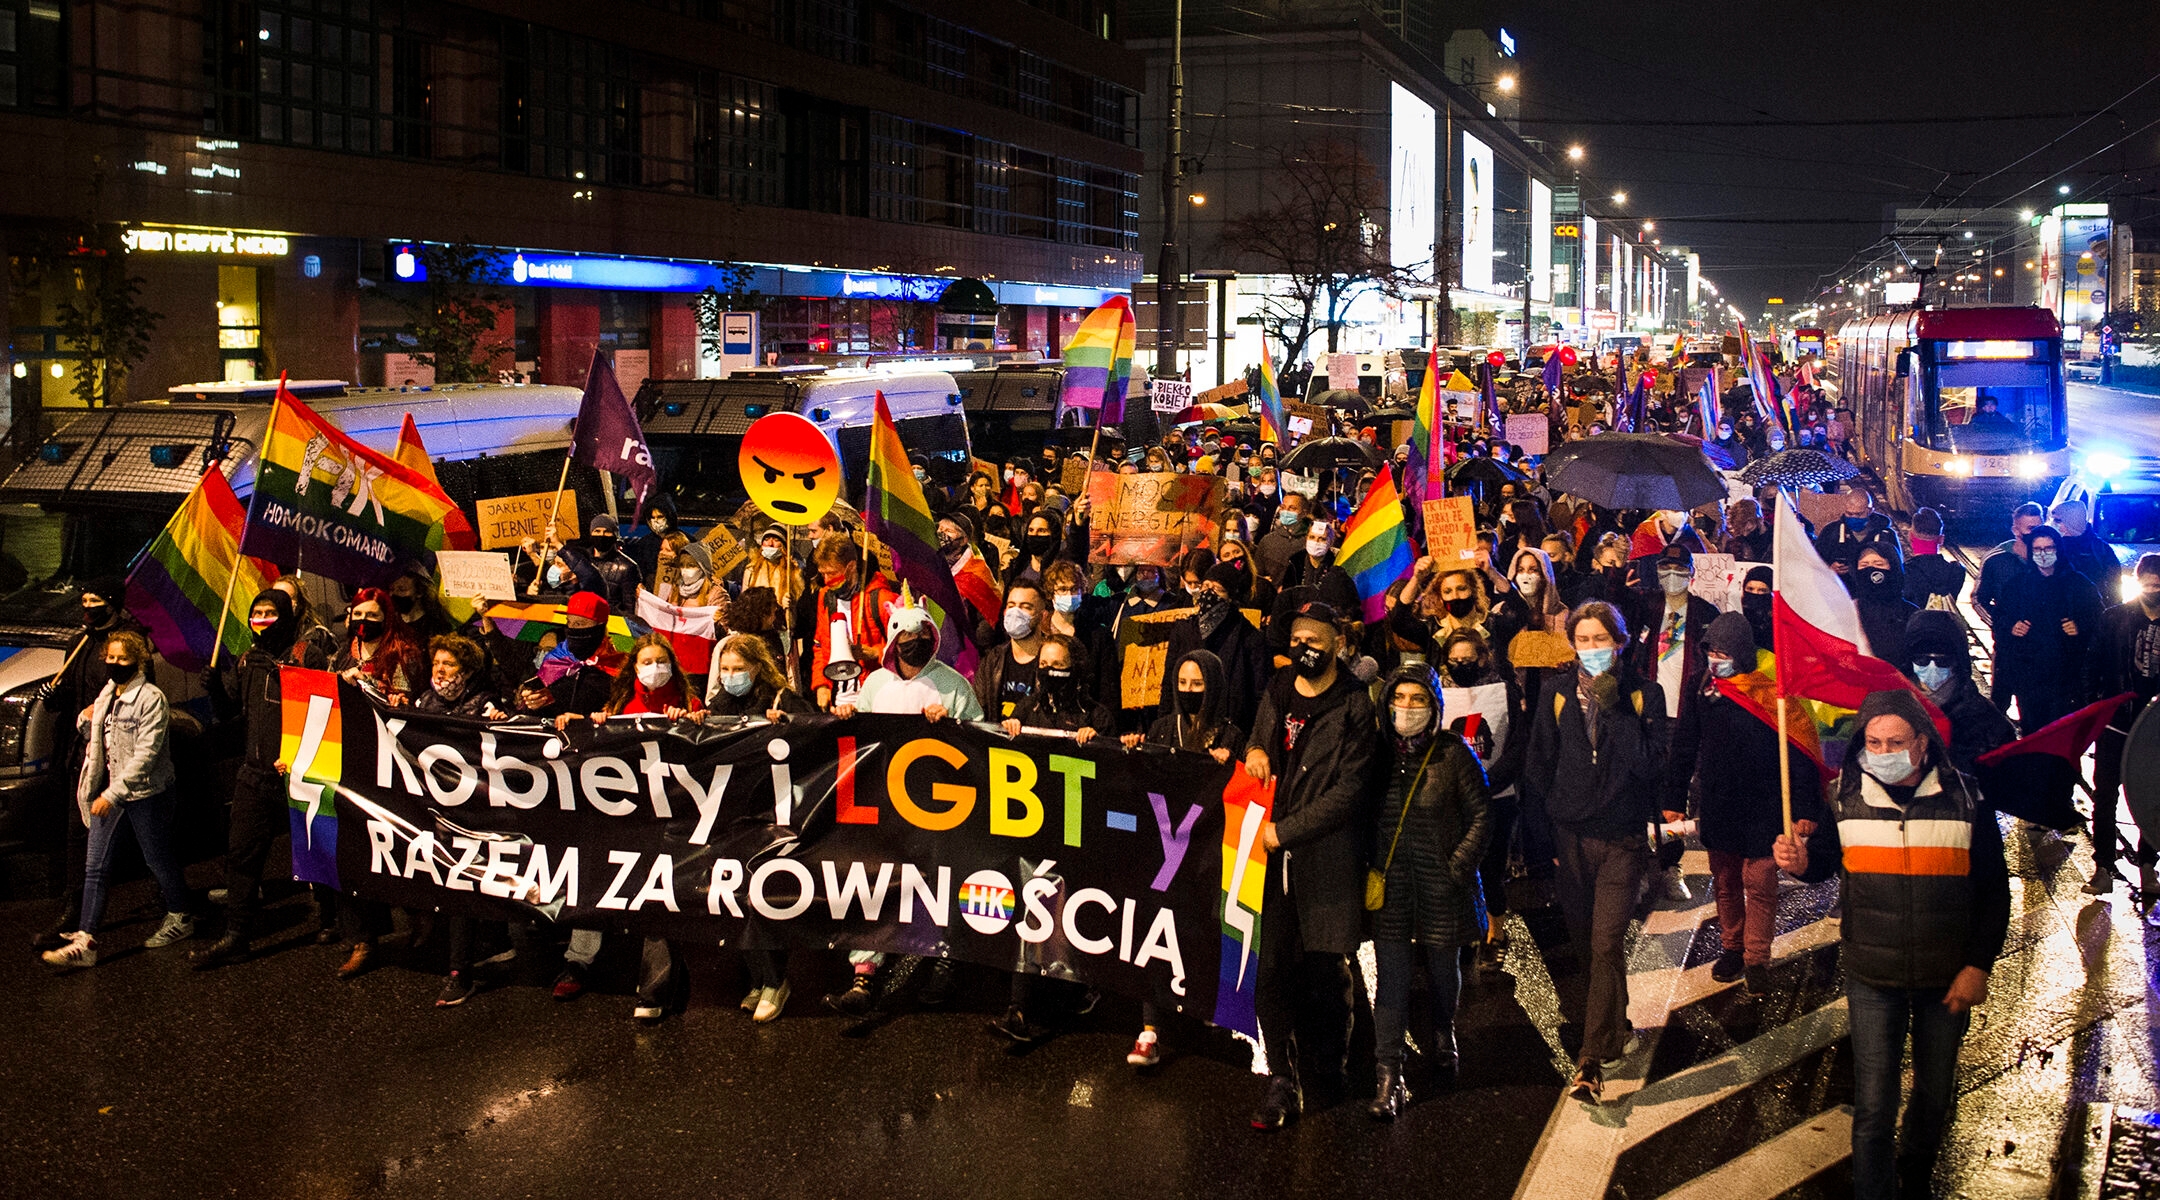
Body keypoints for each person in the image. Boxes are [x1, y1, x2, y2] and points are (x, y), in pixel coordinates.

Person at [1773, 691, 2009, 1200]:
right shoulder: (1844, 797)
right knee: (1874, 1103)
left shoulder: (1966, 798)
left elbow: (1995, 891)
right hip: (1871, 975)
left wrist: (1978, 966)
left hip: (1944, 976)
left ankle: (1918, 1170)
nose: (1883, 752)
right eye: (1874, 742)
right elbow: (1824, 865)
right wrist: (1799, 861)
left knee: (1934, 1091)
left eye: (1896, 742)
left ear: (1922, 743)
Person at [1521, 600, 1668, 1104]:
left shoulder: (1645, 695)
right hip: (1570, 839)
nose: (1590, 650)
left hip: (1622, 840)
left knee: (1606, 943)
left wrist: (1617, 711)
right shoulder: (1557, 694)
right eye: (1582, 641)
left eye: (1599, 640)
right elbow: (1538, 766)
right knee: (1588, 946)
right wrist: (1546, 843)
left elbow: (1652, 766)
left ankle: (1589, 1062)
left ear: (1620, 643)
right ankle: (1615, 1025)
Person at [1243, 602, 1375, 1129]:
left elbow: (1349, 793)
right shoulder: (1278, 689)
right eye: (1297, 637)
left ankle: (1330, 1066)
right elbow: (1260, 735)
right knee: (1270, 967)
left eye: (1315, 638)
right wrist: (1255, 749)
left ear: (1338, 643)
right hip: (1273, 860)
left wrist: (1287, 831)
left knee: (1325, 968)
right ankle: (1281, 1077)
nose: (1304, 647)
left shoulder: (1354, 706)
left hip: (1325, 857)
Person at [1665, 614, 1820, 995]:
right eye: (1711, 652)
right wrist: (1673, 798)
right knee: (1726, 882)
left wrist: (1806, 808)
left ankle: (1756, 958)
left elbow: (1799, 751)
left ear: (1743, 655)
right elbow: (1685, 743)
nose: (1716, 659)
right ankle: (1732, 947)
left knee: (1760, 882)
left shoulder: (1771, 693)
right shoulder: (1701, 687)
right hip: (1719, 801)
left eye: (1723, 653)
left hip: (1765, 805)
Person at [1366, 663, 1493, 1118]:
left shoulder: (1454, 753)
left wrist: (1457, 867)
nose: (1407, 708)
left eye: (1418, 700)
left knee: (1443, 970)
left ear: (1435, 706)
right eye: (1399, 698)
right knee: (1392, 982)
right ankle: (1388, 1075)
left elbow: (1482, 816)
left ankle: (1444, 1032)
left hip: (1444, 886)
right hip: (1393, 887)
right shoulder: (1376, 755)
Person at [563, 635, 702, 1023]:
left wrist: (693, 723)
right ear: (634, 666)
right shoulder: (621, 704)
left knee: (656, 898)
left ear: (672, 664)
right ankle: (577, 963)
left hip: (670, 818)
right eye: (646, 661)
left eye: (661, 660)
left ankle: (654, 988)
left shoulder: (690, 704)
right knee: (592, 879)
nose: (654, 667)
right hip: (625, 815)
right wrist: (593, 725)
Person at [192, 588, 332, 969]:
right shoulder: (248, 660)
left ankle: (332, 918)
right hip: (255, 776)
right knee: (241, 855)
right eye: (257, 612)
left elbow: (323, 714)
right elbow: (229, 714)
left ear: (286, 615)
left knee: (317, 849)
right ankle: (236, 935)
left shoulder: (306, 656)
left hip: (299, 774)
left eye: (271, 612)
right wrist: (216, 688)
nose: (263, 619)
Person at [988, 634, 1113, 1043]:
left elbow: (1116, 771)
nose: (1048, 672)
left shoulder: (1098, 715)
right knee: (1030, 910)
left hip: (1080, 833)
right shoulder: (1028, 709)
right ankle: (1018, 1007)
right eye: (1043, 664)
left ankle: (1081, 986)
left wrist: (1100, 744)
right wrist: (1010, 731)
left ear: (1075, 668)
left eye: (1057, 664)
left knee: (1073, 912)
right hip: (1037, 831)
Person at [41, 630, 190, 968]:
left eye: (123, 659)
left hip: (146, 793)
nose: (115, 664)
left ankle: (181, 915)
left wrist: (113, 793)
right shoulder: (109, 692)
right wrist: (85, 720)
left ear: (138, 661)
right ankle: (87, 940)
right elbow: (102, 735)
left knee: (157, 858)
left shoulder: (151, 699)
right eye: (110, 657)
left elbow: (146, 754)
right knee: (96, 867)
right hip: (110, 791)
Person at [31, 576, 149, 954]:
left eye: (95, 599)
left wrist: (102, 709)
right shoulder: (78, 642)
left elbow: (141, 694)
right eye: (84, 599)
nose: (87, 606)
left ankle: (171, 898)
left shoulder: (129, 642)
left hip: (119, 757)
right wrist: (55, 697)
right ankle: (75, 910)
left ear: (111, 603)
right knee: (77, 834)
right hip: (82, 755)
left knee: (147, 835)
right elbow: (71, 695)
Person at [2087, 554, 2160, 896]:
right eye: (2148, 581)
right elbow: (2095, 665)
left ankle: (2148, 865)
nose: (2154, 588)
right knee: (2105, 795)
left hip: (2154, 730)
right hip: (2116, 722)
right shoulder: (2114, 619)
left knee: (2152, 795)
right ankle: (2103, 865)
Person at [1993, 524, 2102, 731]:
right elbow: (2000, 618)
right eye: (2038, 549)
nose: (2043, 554)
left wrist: (2079, 627)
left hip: (2067, 678)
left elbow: (2099, 619)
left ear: (2058, 549)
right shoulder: (2018, 585)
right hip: (2029, 678)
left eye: (2049, 548)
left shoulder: (2078, 584)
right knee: (2033, 733)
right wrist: (2011, 627)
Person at [1157, 562, 1270, 730]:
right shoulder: (1184, 630)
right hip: (1185, 723)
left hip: (1228, 727)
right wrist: (1164, 724)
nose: (1208, 593)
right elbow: (1169, 683)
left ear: (1231, 596)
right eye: (1206, 586)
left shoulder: (1250, 637)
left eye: (1217, 589)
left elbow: (1258, 694)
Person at [1905, 610, 2013, 777]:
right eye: (1922, 660)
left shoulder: (1988, 722)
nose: (1932, 667)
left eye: (1942, 661)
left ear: (1957, 661)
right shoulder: (1887, 708)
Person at [806, 532, 898, 710]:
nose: (826, 580)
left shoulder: (882, 600)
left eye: (832, 573)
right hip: (838, 701)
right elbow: (819, 644)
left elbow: (905, 651)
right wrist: (821, 685)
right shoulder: (826, 596)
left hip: (875, 701)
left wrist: (874, 653)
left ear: (851, 567)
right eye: (822, 573)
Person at [848, 603, 984, 722]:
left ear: (933, 638)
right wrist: (846, 715)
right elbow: (861, 732)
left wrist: (949, 723)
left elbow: (975, 734)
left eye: (923, 633)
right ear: (895, 644)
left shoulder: (955, 684)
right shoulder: (874, 683)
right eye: (908, 634)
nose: (916, 639)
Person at [973, 580, 1049, 721]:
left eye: (1026, 607)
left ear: (1042, 616)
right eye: (1011, 605)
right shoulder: (993, 660)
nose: (1016, 612)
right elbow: (975, 709)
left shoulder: (1053, 662)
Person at [338, 587, 423, 702]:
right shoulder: (346, 650)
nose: (363, 620)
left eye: (372, 615)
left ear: (385, 619)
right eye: (357, 614)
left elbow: (404, 698)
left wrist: (365, 681)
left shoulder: (402, 655)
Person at [1973, 502, 2045, 632]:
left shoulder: (2052, 558)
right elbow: (1979, 600)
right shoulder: (1995, 560)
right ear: (2015, 530)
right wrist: (2004, 626)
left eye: (2040, 528)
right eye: (2031, 529)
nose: (2036, 534)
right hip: (2009, 644)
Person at [1851, 544, 1918, 672]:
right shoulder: (1848, 610)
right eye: (1864, 565)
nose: (1871, 570)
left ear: (1894, 568)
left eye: (1879, 564)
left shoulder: (1911, 613)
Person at [560, 514, 641, 615]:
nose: (601, 535)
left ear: (614, 535)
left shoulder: (628, 567)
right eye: (597, 531)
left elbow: (629, 610)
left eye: (607, 532)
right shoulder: (581, 560)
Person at [2051, 499, 2120, 604]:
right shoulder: (2053, 546)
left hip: (2092, 611)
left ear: (2071, 521)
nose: (2053, 524)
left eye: (2057, 520)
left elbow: (2114, 585)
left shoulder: (2100, 549)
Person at [1903, 508, 1966, 611]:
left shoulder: (1905, 572)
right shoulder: (1957, 571)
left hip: (1914, 625)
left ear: (1910, 536)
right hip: (1945, 624)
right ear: (1941, 539)